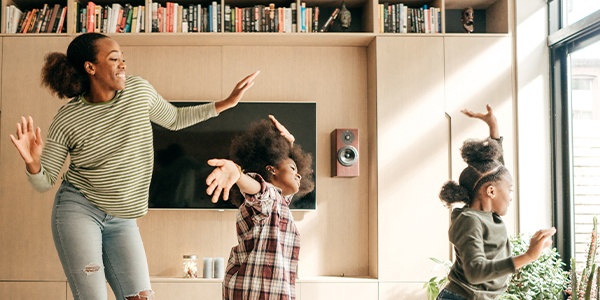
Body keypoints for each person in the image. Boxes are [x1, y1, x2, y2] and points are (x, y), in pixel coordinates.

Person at [9, 32, 259, 300]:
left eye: (123, 59)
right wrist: (33, 163)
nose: (123, 65)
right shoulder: (68, 119)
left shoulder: (139, 92)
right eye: (114, 58)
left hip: (122, 219)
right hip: (79, 210)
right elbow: (44, 181)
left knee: (141, 297)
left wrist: (226, 103)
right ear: (90, 67)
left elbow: (174, 118)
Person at [436, 105, 557, 300]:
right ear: (490, 191)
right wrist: (528, 256)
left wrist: (493, 126)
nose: (510, 197)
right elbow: (475, 272)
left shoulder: (486, 214)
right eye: (509, 191)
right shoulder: (470, 220)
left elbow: (497, 169)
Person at [205, 115, 314, 300]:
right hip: (254, 292)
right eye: (293, 168)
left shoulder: (282, 204)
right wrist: (238, 175)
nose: (299, 175)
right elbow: (257, 189)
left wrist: (290, 143)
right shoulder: (268, 198)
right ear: (271, 169)